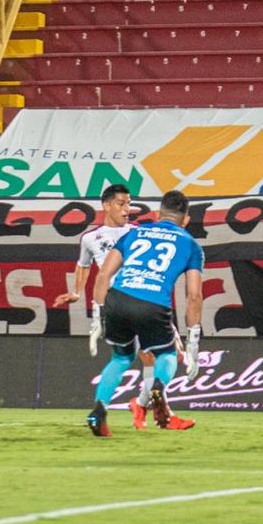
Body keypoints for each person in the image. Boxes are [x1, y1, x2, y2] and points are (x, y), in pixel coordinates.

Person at [53, 184, 193, 431]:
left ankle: (141, 408)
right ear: (106, 205)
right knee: (158, 355)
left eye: (129, 203)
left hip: (141, 298)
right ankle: (154, 411)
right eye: (121, 203)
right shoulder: (90, 238)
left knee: (147, 357)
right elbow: (84, 266)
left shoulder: (138, 232)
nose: (127, 209)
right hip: (119, 302)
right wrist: (77, 292)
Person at [87, 190, 204, 437]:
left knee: (120, 358)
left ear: (158, 214)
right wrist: (193, 342)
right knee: (167, 354)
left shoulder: (134, 232)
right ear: (186, 220)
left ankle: (98, 410)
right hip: (153, 303)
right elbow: (193, 295)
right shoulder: (191, 245)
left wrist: (97, 318)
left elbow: (103, 275)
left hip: (117, 299)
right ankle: (158, 388)